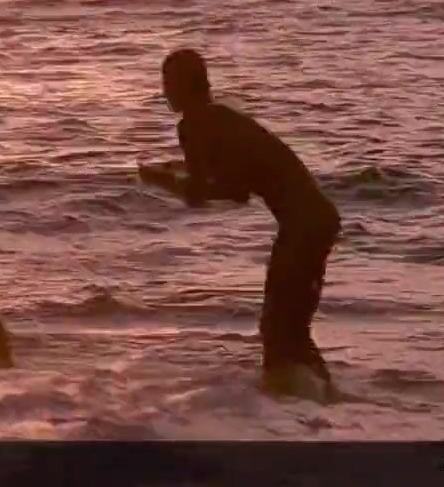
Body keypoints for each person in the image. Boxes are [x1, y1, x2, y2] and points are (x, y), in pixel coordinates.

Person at [139, 48, 342, 400]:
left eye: (168, 82)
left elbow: (216, 193)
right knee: (287, 326)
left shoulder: (193, 125)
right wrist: (177, 172)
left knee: (280, 328)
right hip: (315, 219)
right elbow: (231, 182)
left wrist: (160, 180)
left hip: (303, 225)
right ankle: (323, 400)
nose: (164, 91)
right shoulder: (219, 117)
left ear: (186, 86)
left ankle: (300, 404)